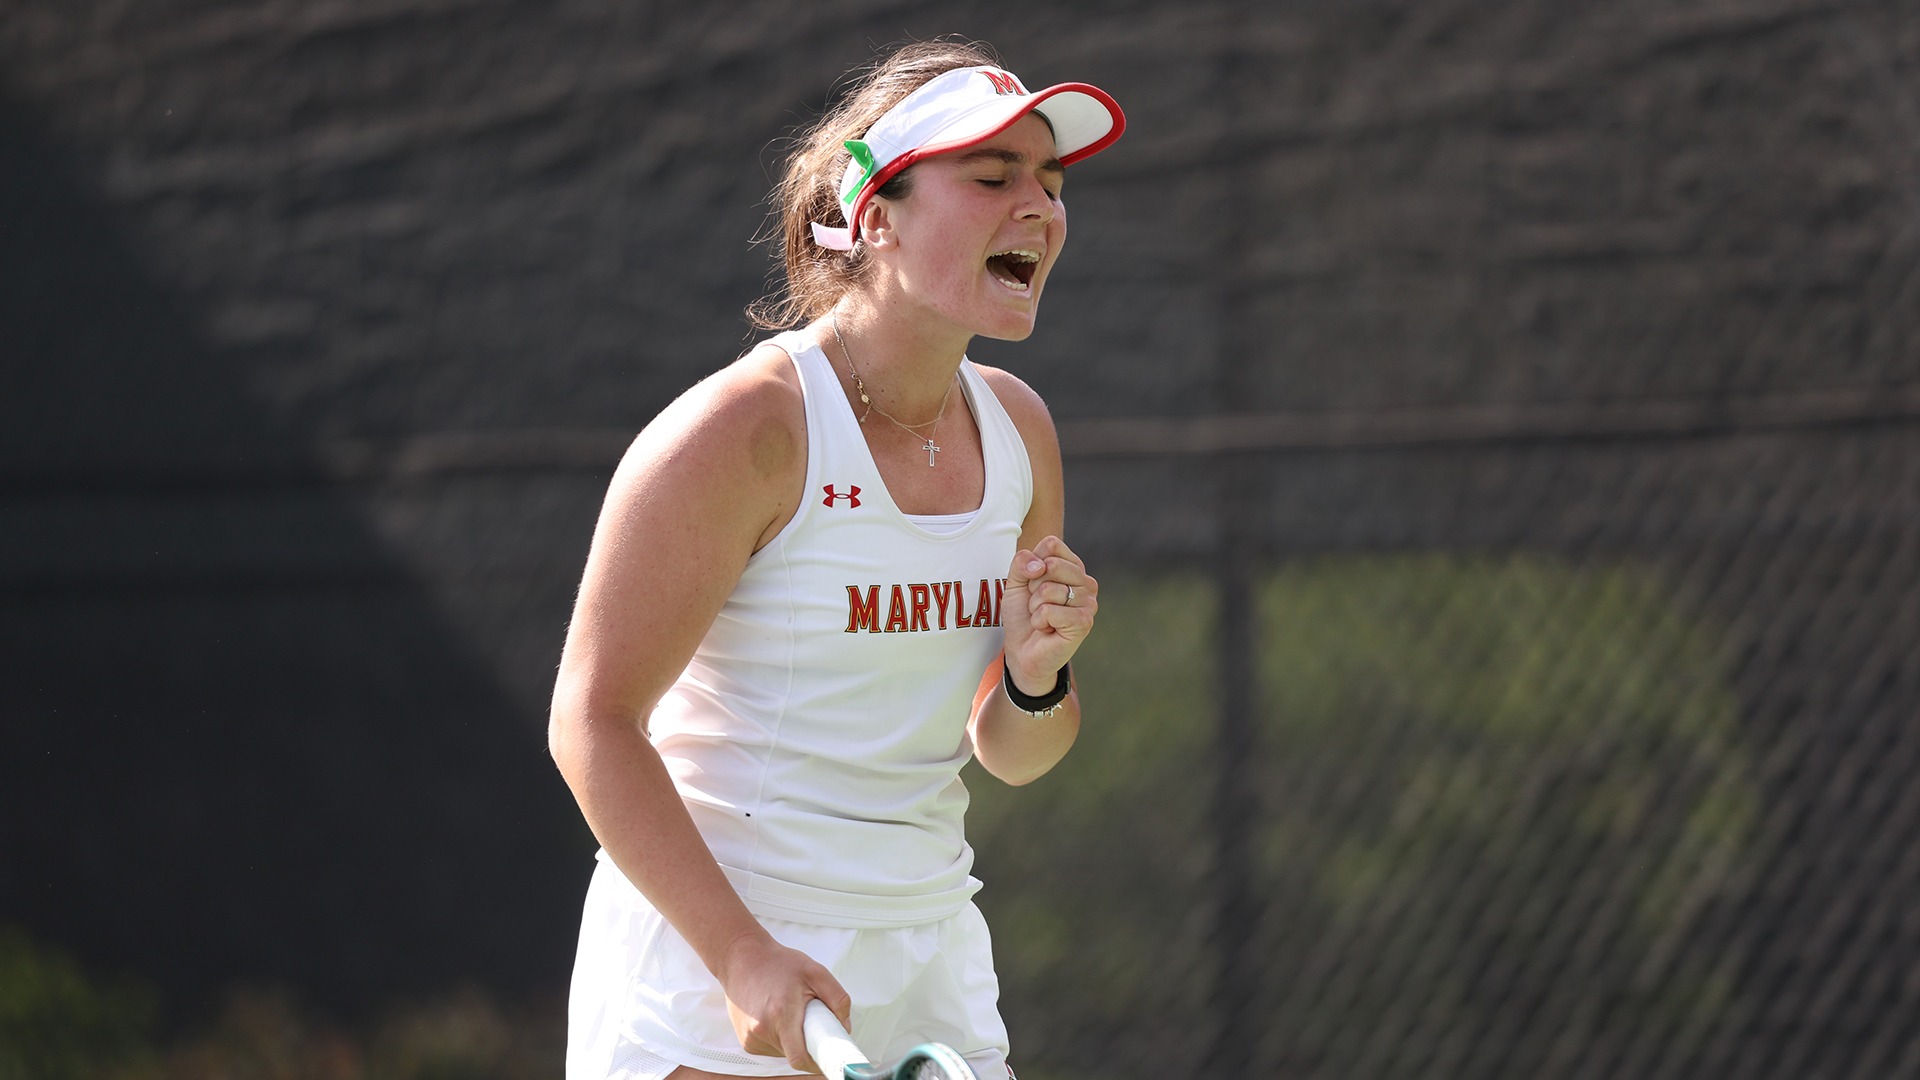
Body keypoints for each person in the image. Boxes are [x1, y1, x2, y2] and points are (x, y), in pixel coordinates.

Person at [549, 38, 1125, 1080]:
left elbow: (1015, 752)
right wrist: (742, 959)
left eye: (1051, 180)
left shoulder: (1020, 430)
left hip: (929, 946)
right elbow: (591, 721)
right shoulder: (744, 433)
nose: (1039, 206)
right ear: (874, 216)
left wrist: (1039, 675)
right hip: (724, 960)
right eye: (993, 177)